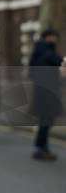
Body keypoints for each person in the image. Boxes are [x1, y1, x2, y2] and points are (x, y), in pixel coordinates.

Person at [29, 29, 63, 161]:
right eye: (54, 37)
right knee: (46, 121)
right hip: (47, 93)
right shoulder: (47, 52)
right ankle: (41, 148)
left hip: (42, 91)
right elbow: (59, 62)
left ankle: (42, 147)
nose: (55, 40)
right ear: (49, 38)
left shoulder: (38, 52)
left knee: (45, 121)